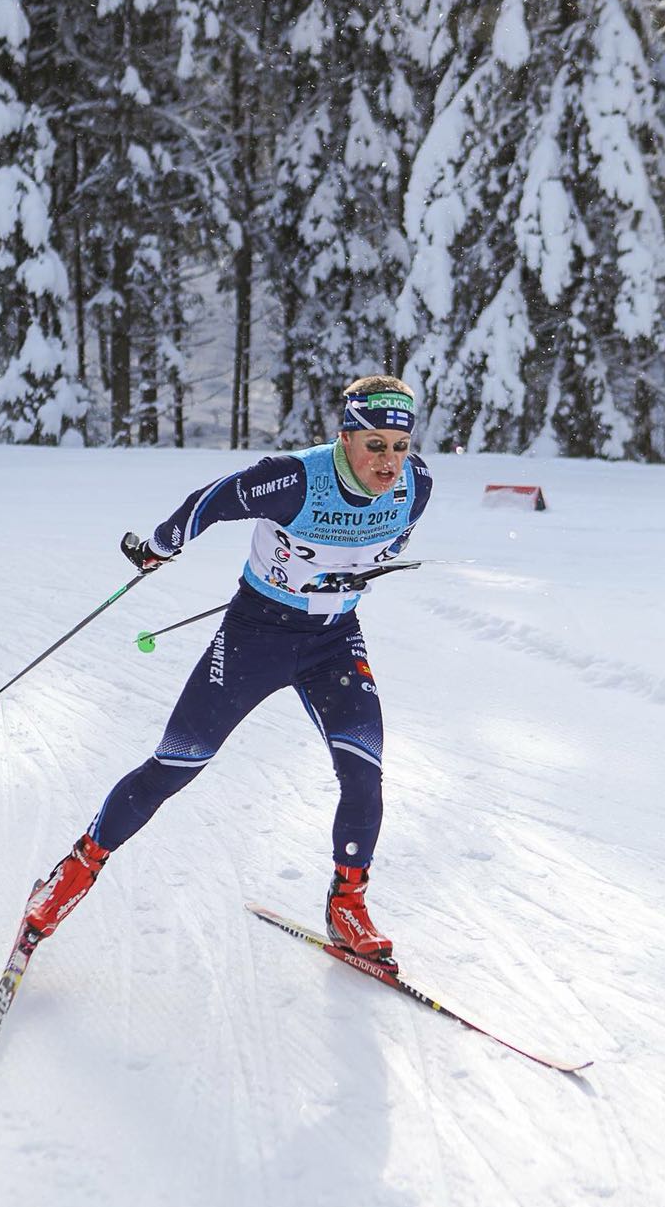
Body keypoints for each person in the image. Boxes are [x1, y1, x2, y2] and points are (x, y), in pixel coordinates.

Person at [23, 374, 433, 967]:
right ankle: (71, 874)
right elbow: (214, 500)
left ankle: (347, 904)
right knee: (175, 765)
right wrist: (161, 545)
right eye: (375, 445)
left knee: (364, 774)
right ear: (345, 437)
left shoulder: (416, 486)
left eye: (399, 446)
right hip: (255, 637)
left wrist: (356, 569)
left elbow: (391, 541)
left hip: (334, 641)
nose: (390, 462)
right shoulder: (296, 479)